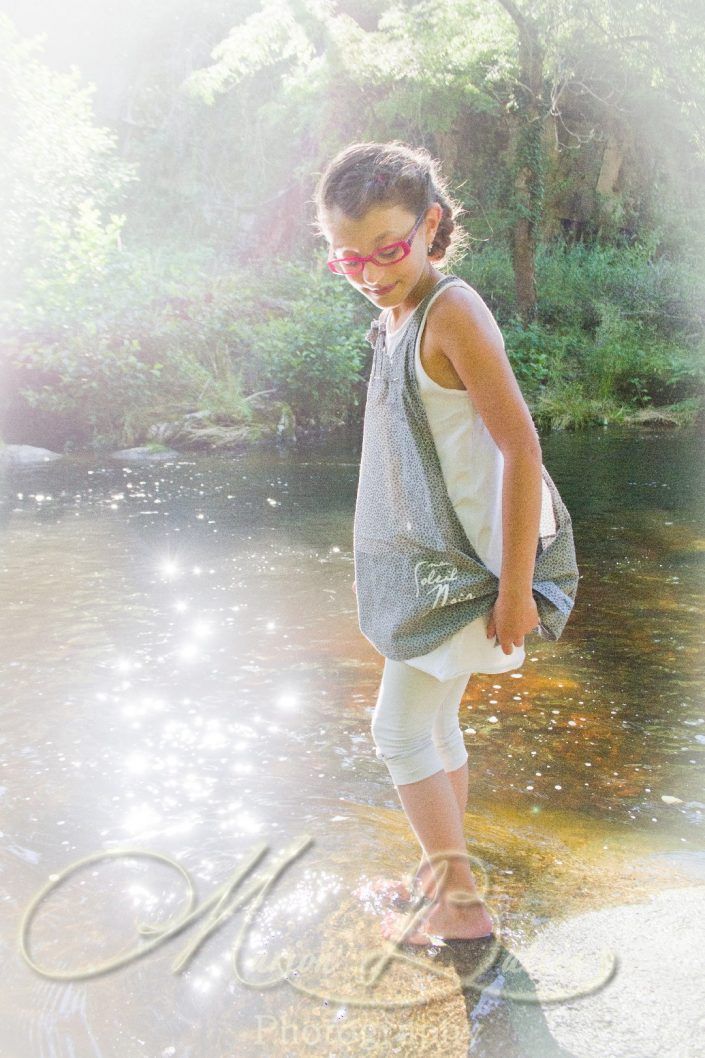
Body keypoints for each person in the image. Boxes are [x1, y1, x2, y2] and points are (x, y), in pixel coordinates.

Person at [312, 141, 552, 946]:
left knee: (397, 733)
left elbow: (520, 450)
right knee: (435, 725)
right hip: (432, 568)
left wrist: (515, 590)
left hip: (469, 568)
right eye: (350, 259)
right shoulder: (395, 315)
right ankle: (441, 875)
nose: (373, 273)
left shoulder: (451, 311)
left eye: (389, 250)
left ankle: (459, 908)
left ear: (431, 226)